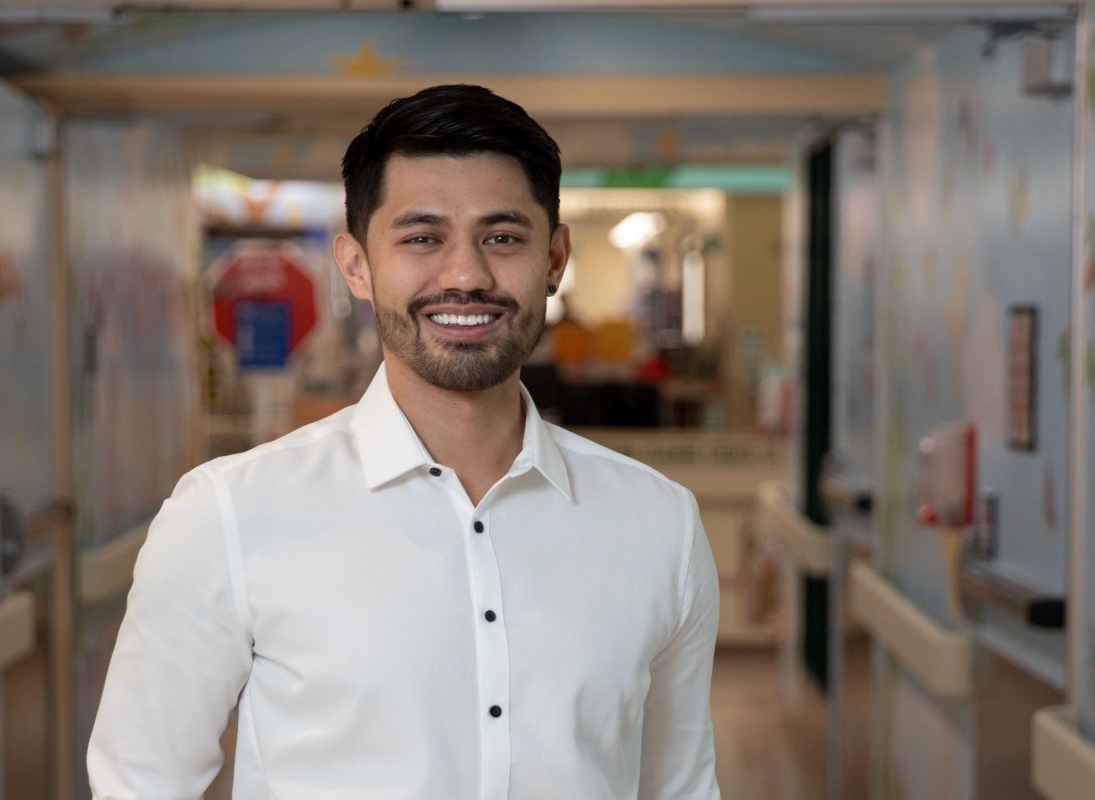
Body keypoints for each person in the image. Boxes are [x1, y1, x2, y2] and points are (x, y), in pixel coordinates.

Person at [88, 84, 721, 800]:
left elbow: (680, 787)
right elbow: (141, 785)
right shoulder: (228, 515)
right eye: (422, 238)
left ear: (555, 257)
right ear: (356, 264)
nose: (465, 276)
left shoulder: (658, 524)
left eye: (503, 237)